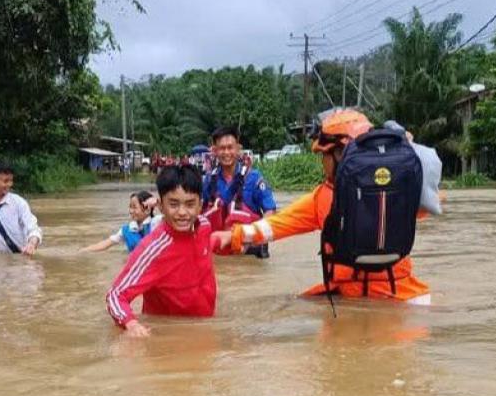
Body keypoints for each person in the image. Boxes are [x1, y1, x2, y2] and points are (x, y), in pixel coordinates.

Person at [215, 108, 432, 304]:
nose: (322, 162)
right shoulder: (403, 184)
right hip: (403, 297)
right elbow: (431, 205)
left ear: (339, 154)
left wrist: (232, 236)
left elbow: (278, 225)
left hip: (352, 297)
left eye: (323, 156)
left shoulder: (323, 198)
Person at [106, 165, 219, 338]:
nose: (182, 212)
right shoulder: (153, 250)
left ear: (200, 206)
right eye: (173, 204)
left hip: (206, 329)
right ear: (160, 206)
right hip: (170, 336)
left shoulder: (204, 226)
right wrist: (131, 324)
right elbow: (115, 295)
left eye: (190, 204)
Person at [201, 126, 277, 258]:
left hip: (249, 253)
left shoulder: (254, 178)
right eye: (222, 148)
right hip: (219, 253)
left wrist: (256, 235)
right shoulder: (208, 180)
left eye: (230, 147)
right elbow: (198, 213)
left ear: (238, 148)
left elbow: (270, 212)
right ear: (214, 151)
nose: (226, 152)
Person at [81, 190, 159, 253]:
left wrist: (157, 202)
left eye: (134, 207)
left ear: (148, 209)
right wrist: (84, 250)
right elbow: (105, 244)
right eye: (130, 207)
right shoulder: (127, 230)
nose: (131, 211)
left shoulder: (158, 223)